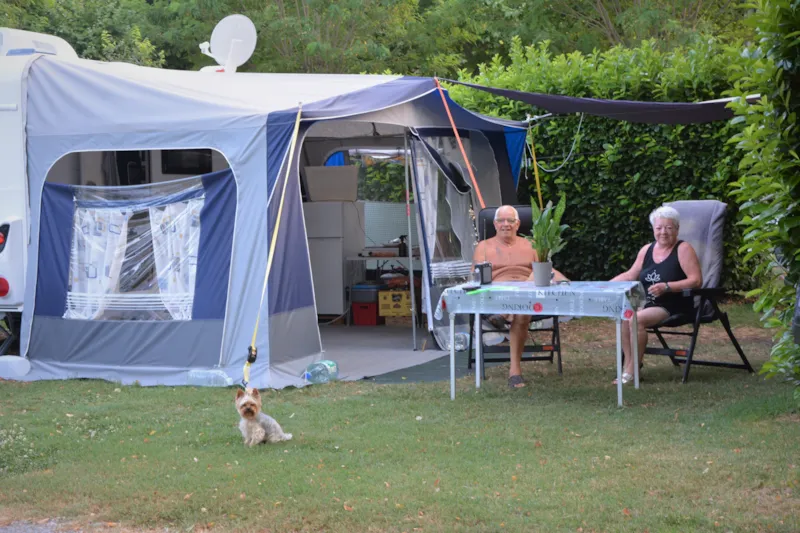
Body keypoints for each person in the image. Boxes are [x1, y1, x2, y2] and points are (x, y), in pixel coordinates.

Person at [471, 205, 568, 389]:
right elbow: (476, 277)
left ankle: (514, 371)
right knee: (522, 310)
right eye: (501, 220)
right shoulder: (484, 247)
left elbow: (546, 270)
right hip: (498, 294)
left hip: (528, 293)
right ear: (494, 224)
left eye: (510, 221)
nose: (505, 224)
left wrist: (566, 282)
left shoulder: (532, 245)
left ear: (518, 224)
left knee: (523, 308)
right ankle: (515, 372)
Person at [610, 205, 703, 384]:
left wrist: (667, 286)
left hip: (672, 302)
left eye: (669, 228)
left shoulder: (683, 249)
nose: (663, 232)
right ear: (653, 229)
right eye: (659, 228)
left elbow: (696, 280)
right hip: (645, 300)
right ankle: (631, 365)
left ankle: (631, 370)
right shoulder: (647, 250)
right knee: (623, 314)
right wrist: (605, 286)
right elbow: (630, 275)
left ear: (677, 229)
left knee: (635, 319)